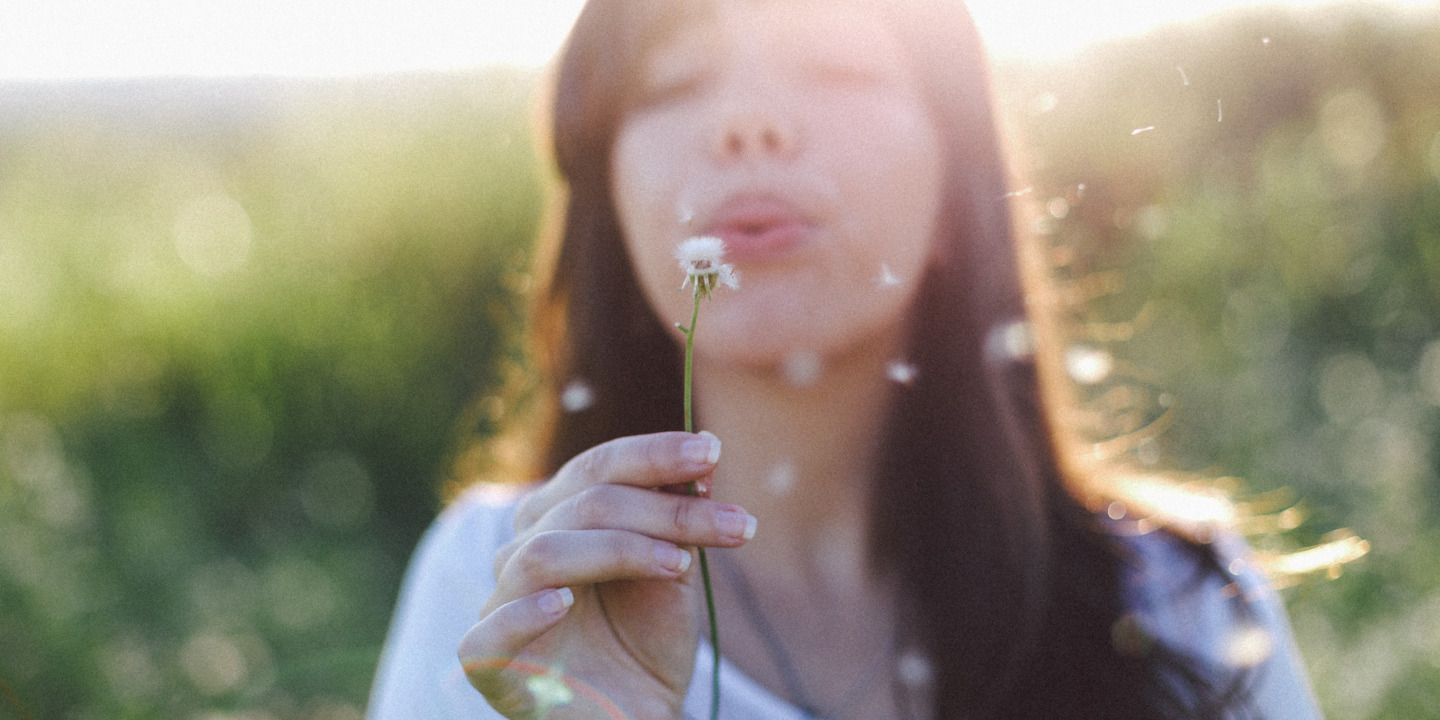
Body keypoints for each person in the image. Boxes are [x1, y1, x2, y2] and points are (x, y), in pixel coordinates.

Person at [367, 0, 1324, 718]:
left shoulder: (1177, 606)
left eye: (833, 66)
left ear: (958, 186)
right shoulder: (508, 593)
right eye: (669, 86)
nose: (747, 126)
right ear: (610, 206)